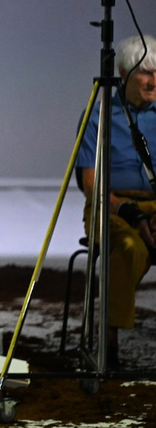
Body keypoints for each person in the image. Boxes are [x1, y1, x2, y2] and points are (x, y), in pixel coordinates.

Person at [75, 33, 156, 365]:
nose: (153, 81)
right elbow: (89, 183)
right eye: (145, 72)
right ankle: (107, 341)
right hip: (109, 205)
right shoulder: (99, 115)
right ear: (122, 74)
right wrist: (127, 211)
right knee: (128, 246)